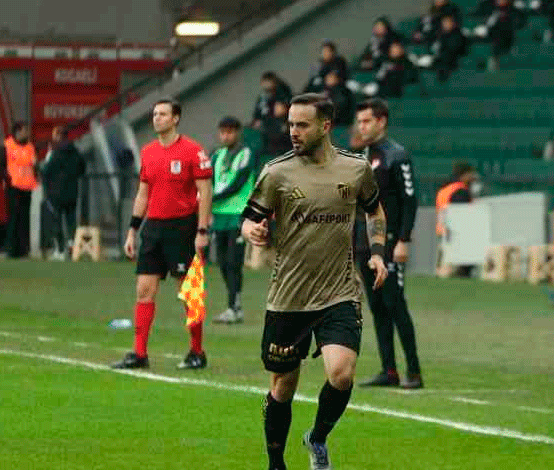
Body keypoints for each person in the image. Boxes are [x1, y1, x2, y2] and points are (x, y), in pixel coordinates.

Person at [240, 93, 388, 470]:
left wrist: (377, 251)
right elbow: (250, 216)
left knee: (341, 374)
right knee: (282, 387)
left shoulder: (356, 169)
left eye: (302, 125)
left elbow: (374, 211)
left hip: (340, 291)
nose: (293, 132)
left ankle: (317, 438)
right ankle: (276, 462)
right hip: (289, 296)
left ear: (325, 126)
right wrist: (252, 231)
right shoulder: (276, 172)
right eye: (290, 124)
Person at [113, 99, 213, 370]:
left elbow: (205, 191)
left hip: (183, 227)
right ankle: (139, 354)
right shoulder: (148, 152)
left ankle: (197, 351)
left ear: (176, 118)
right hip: (153, 229)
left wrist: (202, 230)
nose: (157, 118)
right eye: (155, 114)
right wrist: (133, 230)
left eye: (163, 114)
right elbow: (143, 193)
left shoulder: (193, 151)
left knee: (189, 292)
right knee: (144, 290)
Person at [353, 99, 423, 389]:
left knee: (395, 305)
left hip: (391, 241)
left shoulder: (397, 156)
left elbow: (410, 199)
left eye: (367, 121)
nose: (362, 126)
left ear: (381, 121)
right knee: (377, 307)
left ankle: (415, 372)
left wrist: (404, 240)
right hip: (365, 243)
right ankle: (389, 370)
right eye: (359, 122)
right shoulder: (361, 156)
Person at [210, 116, 255, 324]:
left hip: (238, 214)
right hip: (219, 216)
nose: (226, 136)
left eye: (230, 132)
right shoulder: (216, 155)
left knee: (233, 262)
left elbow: (238, 183)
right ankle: (233, 307)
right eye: (223, 132)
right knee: (221, 262)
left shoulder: (245, 154)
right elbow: (207, 179)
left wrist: (212, 197)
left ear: (238, 133)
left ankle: (234, 307)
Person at [40, 125, 85, 260]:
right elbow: (82, 168)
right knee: (71, 222)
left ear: (59, 136)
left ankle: (60, 250)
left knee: (57, 222)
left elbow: (46, 171)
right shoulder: (76, 152)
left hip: (56, 194)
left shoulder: (56, 153)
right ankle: (72, 247)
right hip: (72, 192)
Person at [0, 121, 38, 259]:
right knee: (13, 219)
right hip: (13, 187)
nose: (27, 133)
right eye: (25, 130)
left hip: (27, 187)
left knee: (24, 219)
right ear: (18, 131)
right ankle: (11, 249)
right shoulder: (7, 145)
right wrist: (7, 179)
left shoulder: (30, 147)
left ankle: (23, 249)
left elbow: (34, 165)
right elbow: (0, 165)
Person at [435, 161, 479, 278]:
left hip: (442, 229)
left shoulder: (445, 188)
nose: (473, 178)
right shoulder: (461, 191)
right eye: (471, 174)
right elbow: (461, 214)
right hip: (455, 232)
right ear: (464, 175)